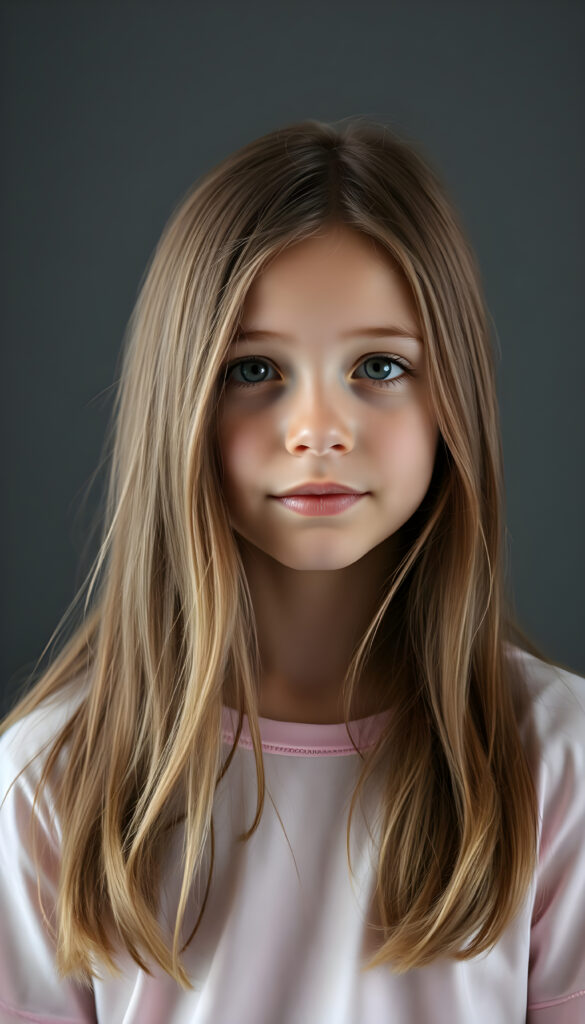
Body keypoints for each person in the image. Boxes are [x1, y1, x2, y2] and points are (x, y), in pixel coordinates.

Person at [0, 117, 583, 1024]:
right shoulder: (47, 781)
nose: (318, 428)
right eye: (256, 369)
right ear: (180, 397)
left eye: (379, 366)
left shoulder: (561, 765)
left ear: (452, 403)